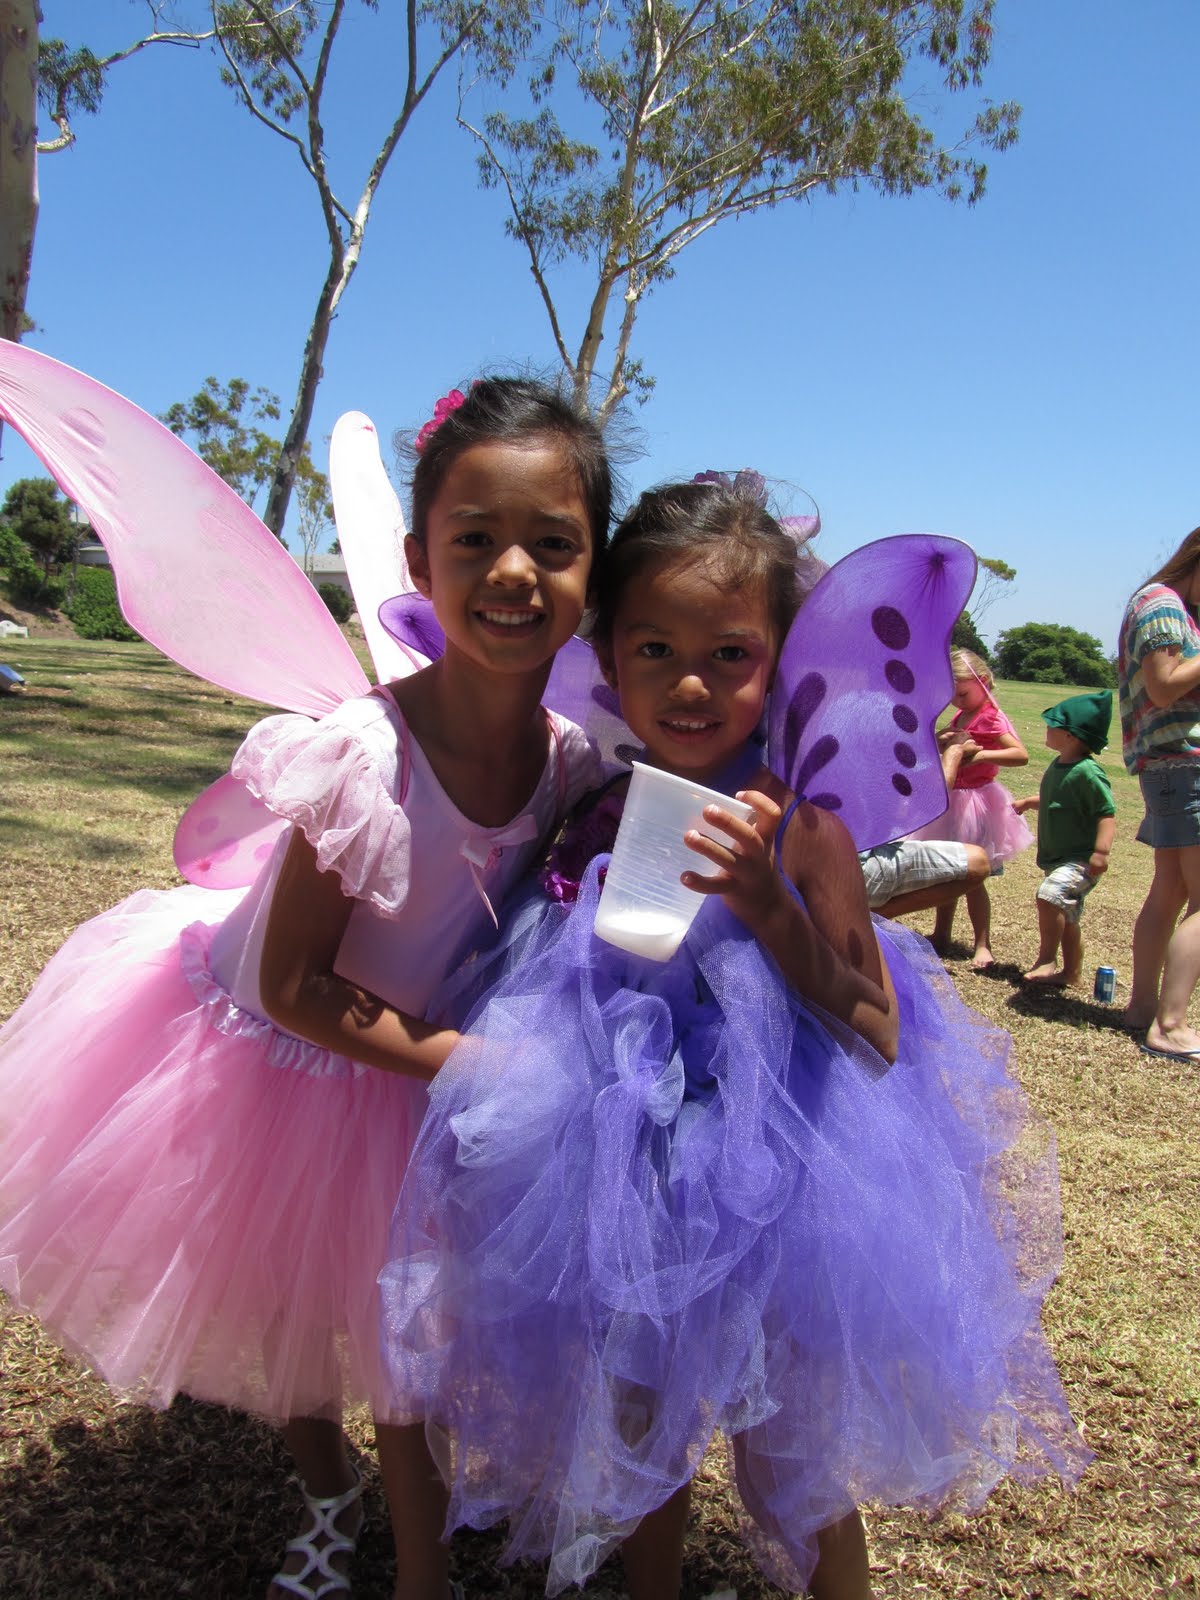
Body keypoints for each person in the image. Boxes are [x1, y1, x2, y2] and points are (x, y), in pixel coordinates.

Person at [381, 478, 1090, 1600]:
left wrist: (768, 905)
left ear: (781, 660)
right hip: (618, 1177)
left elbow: (875, 1031)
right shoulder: (595, 800)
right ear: (606, 658)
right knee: (637, 1420)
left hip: (779, 1185)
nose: (691, 683)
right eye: (655, 650)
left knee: (787, 1448)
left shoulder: (800, 824)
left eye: (730, 654)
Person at [0, 377, 613, 1600]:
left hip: (412, 1054)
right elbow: (289, 984)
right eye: (474, 539)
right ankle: (331, 1493)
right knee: (290, 1307)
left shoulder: (574, 764)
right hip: (276, 1050)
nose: (512, 571)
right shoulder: (365, 756)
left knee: (410, 1348)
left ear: (592, 571)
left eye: (554, 543)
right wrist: (476, 1064)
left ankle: (423, 1571)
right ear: (417, 560)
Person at [1118, 527, 1200, 1058]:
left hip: (1173, 765)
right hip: (1187, 764)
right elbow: (1165, 685)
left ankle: (1143, 1008)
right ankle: (1170, 1026)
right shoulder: (1163, 604)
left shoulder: (1172, 606)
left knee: (1170, 889)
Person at [907, 647, 1032, 968]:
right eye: (951, 695)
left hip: (976, 804)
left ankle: (982, 944)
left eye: (962, 693)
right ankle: (941, 933)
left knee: (973, 878)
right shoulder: (962, 715)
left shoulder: (991, 716)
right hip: (953, 800)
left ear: (984, 681)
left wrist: (980, 755)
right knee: (947, 871)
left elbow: (1020, 754)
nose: (957, 701)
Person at [1013, 691, 1117, 986]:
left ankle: (1047, 959)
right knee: (1068, 918)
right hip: (1058, 859)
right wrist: (1029, 803)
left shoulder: (1088, 771)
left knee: (1049, 896)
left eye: (1052, 725)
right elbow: (1057, 799)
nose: (1046, 729)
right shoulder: (1059, 765)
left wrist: (1101, 852)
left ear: (1070, 735)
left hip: (1081, 860)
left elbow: (1106, 813)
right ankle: (1071, 975)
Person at [860, 740, 991, 918]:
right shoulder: (870, 768)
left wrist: (930, 745)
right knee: (978, 862)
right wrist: (955, 752)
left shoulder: (841, 753)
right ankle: (871, 918)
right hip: (858, 873)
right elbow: (933, 802)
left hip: (824, 873)